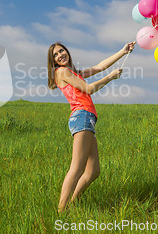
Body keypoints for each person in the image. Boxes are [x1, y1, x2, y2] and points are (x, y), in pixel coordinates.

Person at [47, 41, 135, 212]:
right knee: (77, 167)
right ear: (54, 62)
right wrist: (111, 77)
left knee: (93, 170)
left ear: (67, 51)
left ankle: (72, 204)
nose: (60, 55)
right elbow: (88, 89)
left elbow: (99, 66)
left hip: (87, 118)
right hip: (82, 117)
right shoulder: (62, 71)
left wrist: (123, 52)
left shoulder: (74, 73)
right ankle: (61, 211)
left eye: (61, 51)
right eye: (56, 55)